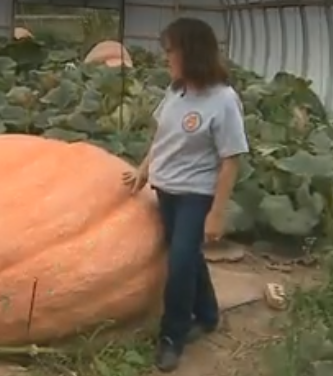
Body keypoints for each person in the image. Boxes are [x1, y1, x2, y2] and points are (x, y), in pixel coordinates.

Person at [122, 17, 249, 373]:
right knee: (188, 255)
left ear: (191, 52)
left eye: (170, 50)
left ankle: (172, 337)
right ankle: (208, 315)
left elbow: (231, 160)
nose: (166, 57)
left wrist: (217, 213)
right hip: (166, 190)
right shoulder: (176, 91)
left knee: (178, 265)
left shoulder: (223, 100)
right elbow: (162, 137)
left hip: (196, 195)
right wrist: (143, 169)